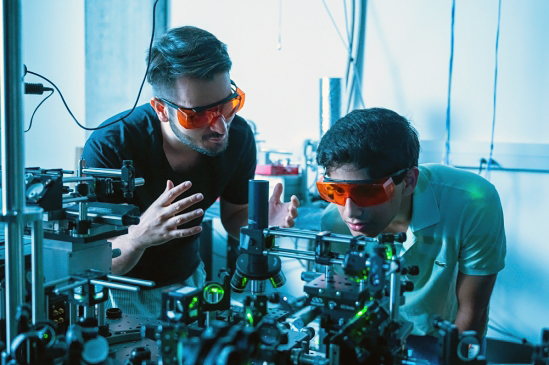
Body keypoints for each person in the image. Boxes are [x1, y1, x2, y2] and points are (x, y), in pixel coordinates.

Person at [82, 26, 299, 317]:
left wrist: (259, 223)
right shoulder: (110, 146)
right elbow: (92, 260)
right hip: (119, 293)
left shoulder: (240, 138)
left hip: (190, 282)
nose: (220, 127)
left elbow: (235, 217)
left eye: (228, 106)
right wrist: (139, 237)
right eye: (198, 115)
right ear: (161, 109)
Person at [315, 108, 505, 358]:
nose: (350, 212)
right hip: (374, 331)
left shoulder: (474, 202)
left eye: (368, 192)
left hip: (444, 335)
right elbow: (347, 308)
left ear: (409, 181)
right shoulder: (334, 223)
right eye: (335, 190)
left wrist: (455, 357)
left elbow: (472, 311)